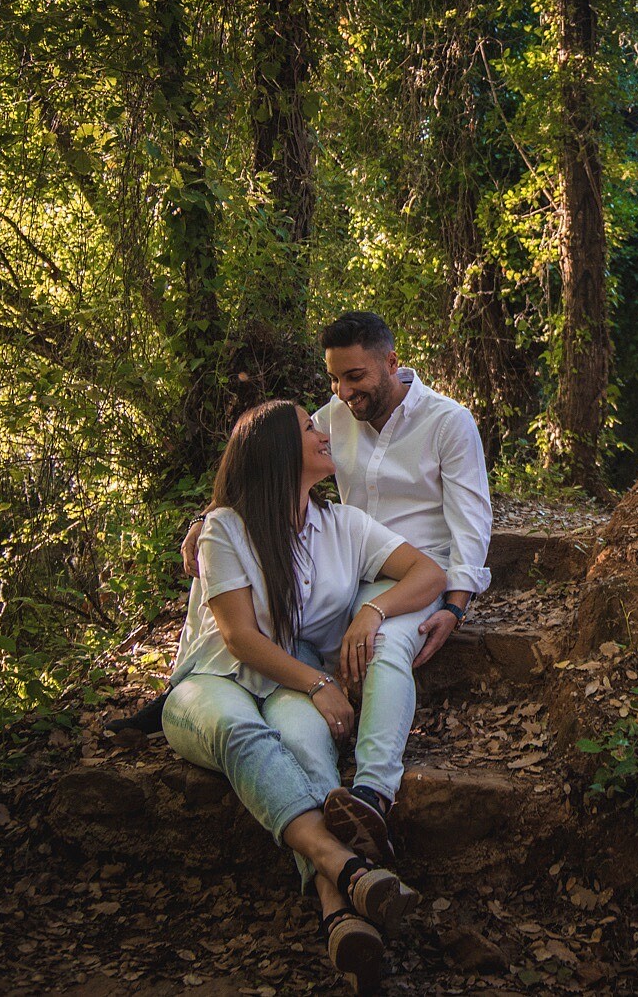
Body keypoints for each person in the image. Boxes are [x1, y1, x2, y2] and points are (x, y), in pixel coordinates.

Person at [110, 311, 493, 861]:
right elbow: (265, 463)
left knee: (381, 643)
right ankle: (191, 692)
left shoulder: (447, 422)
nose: (343, 393)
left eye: (355, 377)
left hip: (412, 570)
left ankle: (372, 792)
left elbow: (472, 520)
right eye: (335, 379)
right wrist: (211, 517)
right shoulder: (335, 415)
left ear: (391, 363)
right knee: (270, 614)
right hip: (343, 562)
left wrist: (454, 605)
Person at [164, 399, 445, 994]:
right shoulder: (225, 528)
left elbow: (428, 573)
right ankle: (345, 871)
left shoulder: (341, 525)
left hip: (286, 682)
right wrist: (320, 682)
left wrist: (372, 609)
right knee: (244, 733)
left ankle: (339, 915)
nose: (323, 433)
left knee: (304, 745)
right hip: (209, 684)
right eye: (309, 428)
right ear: (277, 452)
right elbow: (239, 637)